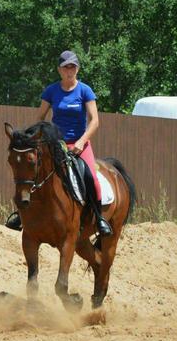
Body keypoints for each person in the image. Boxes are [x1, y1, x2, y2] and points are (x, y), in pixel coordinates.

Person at [6, 50, 113, 236]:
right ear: (59, 70)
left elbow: (94, 120)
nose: (69, 71)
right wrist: (39, 138)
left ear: (77, 69)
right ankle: (21, 215)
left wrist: (81, 141)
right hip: (55, 144)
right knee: (35, 173)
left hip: (80, 144)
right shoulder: (51, 91)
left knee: (91, 178)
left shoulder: (85, 91)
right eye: (65, 67)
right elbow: (40, 117)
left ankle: (99, 217)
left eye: (72, 67)